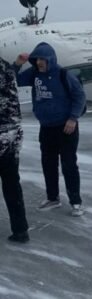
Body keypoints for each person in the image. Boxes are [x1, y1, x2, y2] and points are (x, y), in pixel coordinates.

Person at [14, 42, 86, 217]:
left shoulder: (63, 74)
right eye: (37, 59)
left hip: (66, 128)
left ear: (50, 59)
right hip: (46, 128)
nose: (39, 62)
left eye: (42, 59)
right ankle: (53, 197)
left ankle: (76, 202)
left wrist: (73, 118)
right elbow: (13, 79)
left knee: (69, 165)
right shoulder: (34, 74)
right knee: (48, 164)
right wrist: (17, 64)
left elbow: (79, 96)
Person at [0, 57, 30, 242]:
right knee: (12, 184)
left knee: (11, 184)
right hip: (12, 134)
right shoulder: (6, 68)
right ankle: (20, 229)